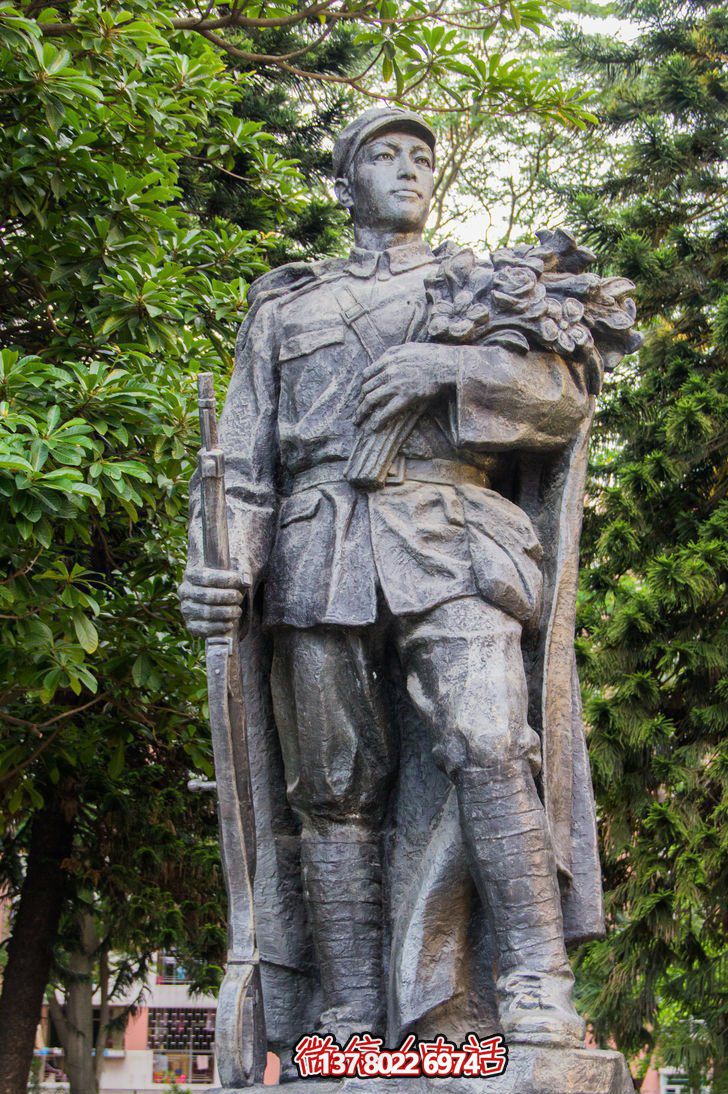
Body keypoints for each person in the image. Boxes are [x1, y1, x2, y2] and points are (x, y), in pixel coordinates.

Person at [179, 107, 605, 1053]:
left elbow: (562, 404)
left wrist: (444, 368)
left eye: (422, 156)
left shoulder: (480, 288)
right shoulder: (285, 306)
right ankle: (352, 1016)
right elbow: (244, 469)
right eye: (385, 155)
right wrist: (219, 568)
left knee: (494, 739)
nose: (408, 169)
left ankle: (536, 982)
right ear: (346, 184)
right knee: (331, 788)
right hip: (316, 551)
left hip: (452, 536)